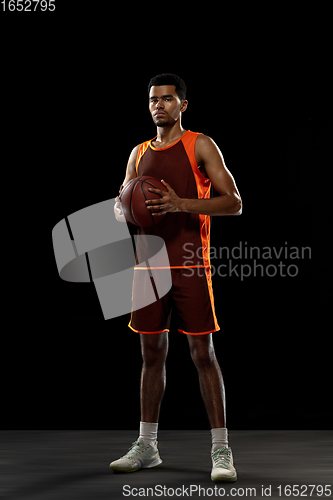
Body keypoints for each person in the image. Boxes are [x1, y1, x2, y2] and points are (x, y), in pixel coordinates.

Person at [110, 73, 242, 482]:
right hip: (148, 267)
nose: (158, 105)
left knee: (203, 355)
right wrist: (124, 207)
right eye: (153, 99)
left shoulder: (200, 144)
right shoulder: (138, 153)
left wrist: (181, 203)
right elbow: (122, 206)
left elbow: (234, 203)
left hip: (189, 262)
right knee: (151, 356)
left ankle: (221, 450)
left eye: (167, 99)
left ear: (182, 104)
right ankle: (147, 446)